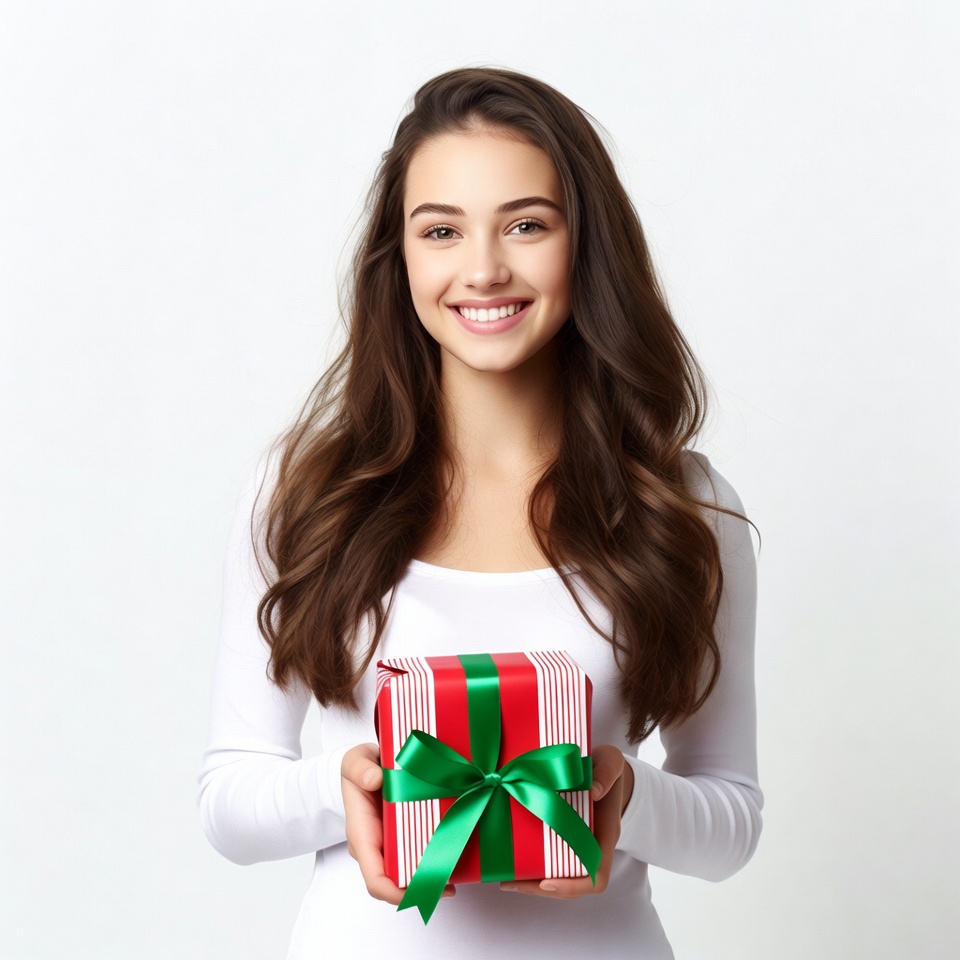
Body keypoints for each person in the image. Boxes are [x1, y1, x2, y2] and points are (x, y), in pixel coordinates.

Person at [198, 67, 762, 960]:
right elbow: (230, 799)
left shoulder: (684, 504)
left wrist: (622, 794)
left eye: (527, 224)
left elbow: (731, 815)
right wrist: (349, 788)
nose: (484, 269)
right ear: (402, 257)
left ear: (587, 246)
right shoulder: (308, 488)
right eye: (442, 231)